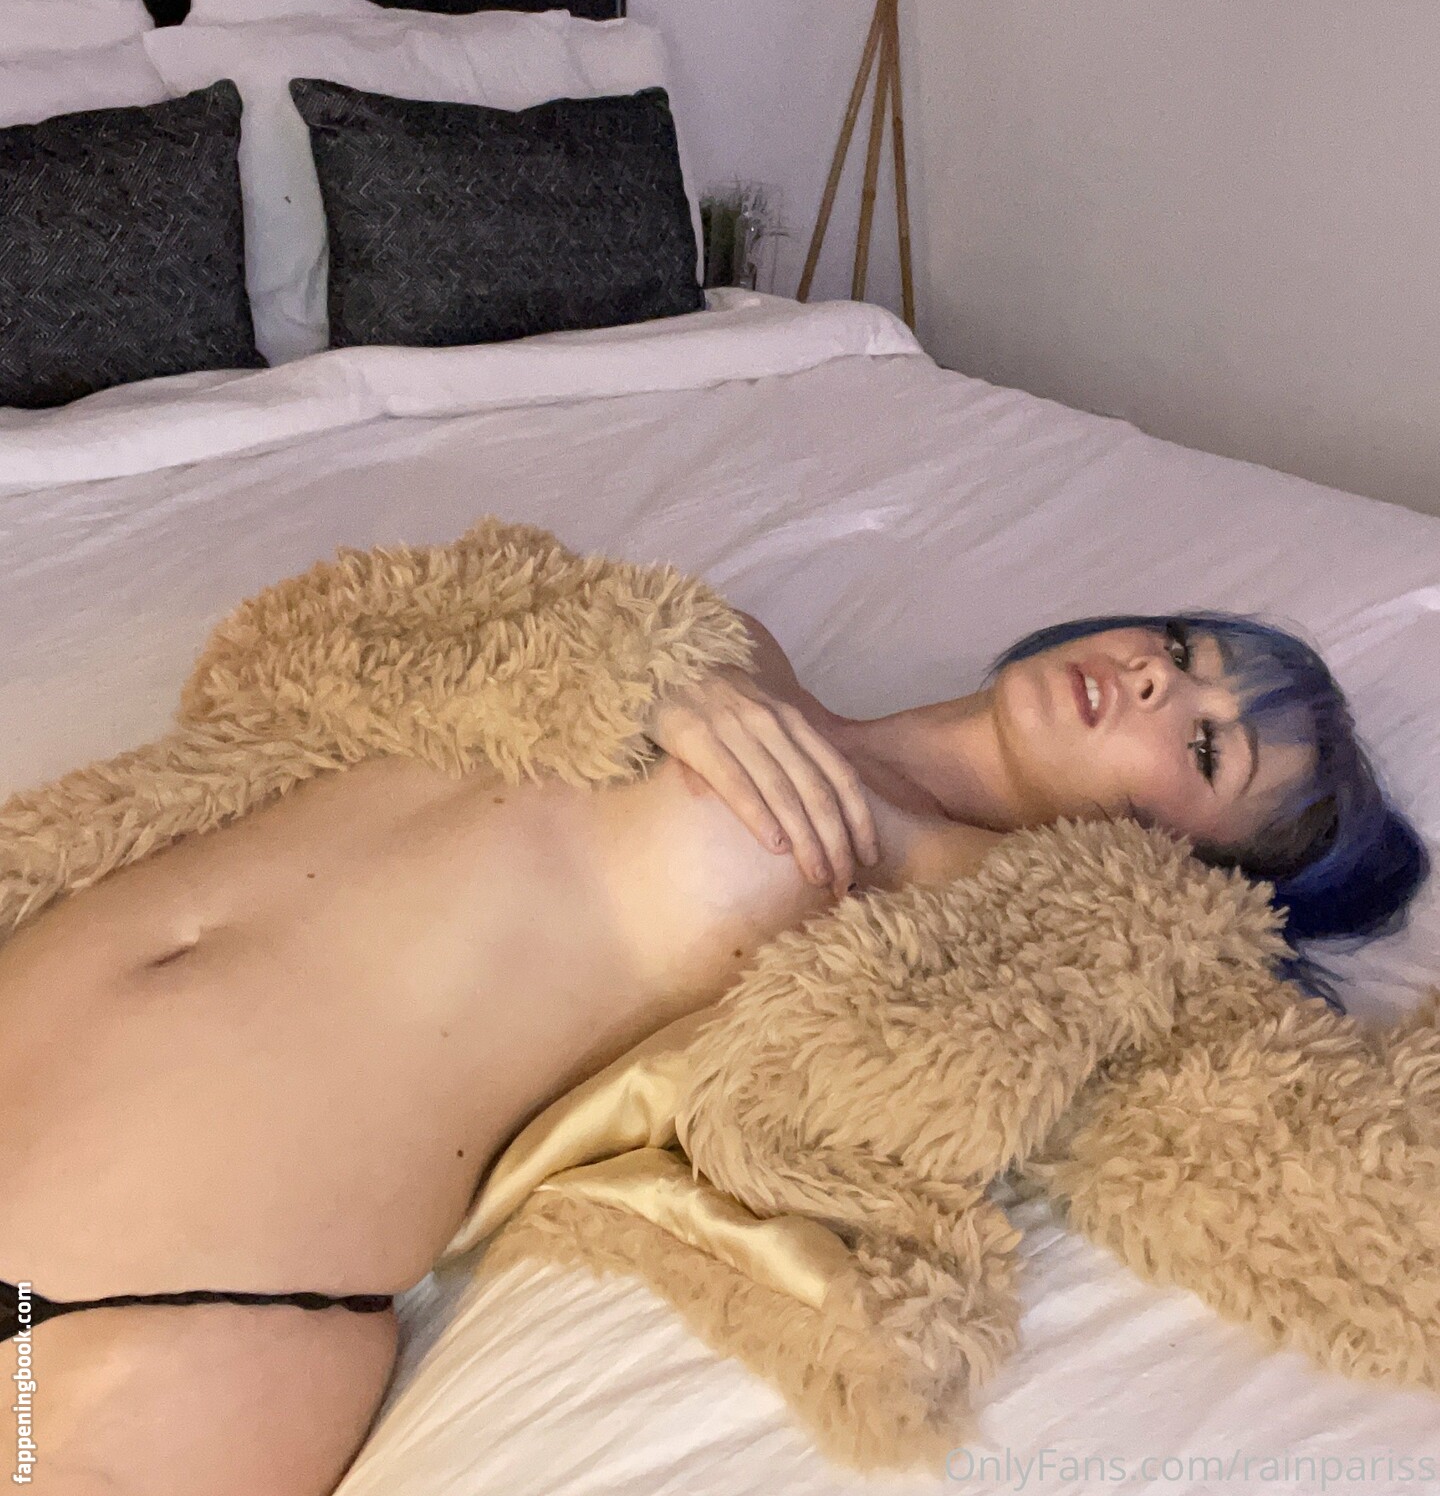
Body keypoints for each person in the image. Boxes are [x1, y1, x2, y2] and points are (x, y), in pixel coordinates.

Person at [0, 603, 1425, 1495]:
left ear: (1181, 861)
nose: (1160, 682)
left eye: (1209, 749)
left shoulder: (989, 913)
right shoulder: (717, 647)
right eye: (1184, 651)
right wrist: (644, 678)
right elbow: (325, 648)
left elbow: (1285, 1156)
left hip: (144, 1313)